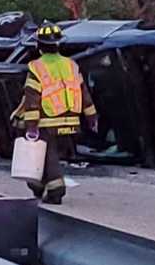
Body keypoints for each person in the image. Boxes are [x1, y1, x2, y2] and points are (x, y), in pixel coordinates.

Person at [11, 21, 98, 204]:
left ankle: (56, 190)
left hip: (47, 121)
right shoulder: (71, 65)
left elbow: (32, 99)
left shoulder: (37, 67)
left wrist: (31, 126)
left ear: (38, 45)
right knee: (52, 153)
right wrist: (91, 117)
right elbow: (84, 93)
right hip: (71, 121)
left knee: (47, 155)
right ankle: (42, 186)